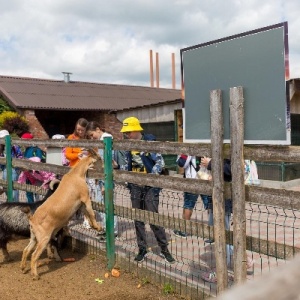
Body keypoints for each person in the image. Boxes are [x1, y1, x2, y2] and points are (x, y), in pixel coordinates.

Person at [120, 116, 175, 264]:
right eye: (126, 132)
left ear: (137, 130)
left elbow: (160, 162)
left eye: (129, 132)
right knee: (138, 218)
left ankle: (164, 249)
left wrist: (150, 178)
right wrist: (127, 179)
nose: (127, 135)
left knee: (153, 217)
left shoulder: (149, 143)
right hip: (135, 187)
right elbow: (126, 164)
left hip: (150, 186)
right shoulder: (129, 146)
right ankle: (142, 248)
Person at [85, 121, 118, 238]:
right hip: (101, 178)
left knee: (107, 204)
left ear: (98, 129)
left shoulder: (106, 139)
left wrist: (104, 183)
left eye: (91, 134)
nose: (91, 137)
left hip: (106, 179)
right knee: (101, 204)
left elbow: (107, 162)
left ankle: (112, 231)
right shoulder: (101, 141)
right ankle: (107, 228)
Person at [65, 118, 90, 228]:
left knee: (86, 195)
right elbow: (67, 155)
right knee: (73, 195)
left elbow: (94, 152)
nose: (80, 132)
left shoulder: (88, 138)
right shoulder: (71, 138)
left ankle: (86, 218)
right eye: (78, 129)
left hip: (86, 169)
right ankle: (69, 216)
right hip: (75, 169)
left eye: (82, 130)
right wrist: (78, 154)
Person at [173, 154, 201, 238]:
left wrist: (179, 156)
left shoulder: (189, 150)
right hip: (198, 179)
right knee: (188, 204)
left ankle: (185, 230)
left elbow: (182, 163)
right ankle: (183, 227)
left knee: (188, 205)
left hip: (192, 180)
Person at [21, 132, 45, 203]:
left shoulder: (36, 150)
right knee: (28, 191)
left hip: (35, 175)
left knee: (37, 191)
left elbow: (39, 162)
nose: (22, 143)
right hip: (28, 175)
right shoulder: (26, 150)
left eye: (24, 141)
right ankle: (30, 206)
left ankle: (36, 206)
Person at [0, 130, 23, 201]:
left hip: (13, 169)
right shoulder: (1, 147)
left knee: (14, 187)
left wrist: (17, 165)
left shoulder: (14, 146)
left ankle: (15, 204)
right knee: (5, 186)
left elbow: (20, 156)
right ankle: (10, 202)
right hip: (4, 168)